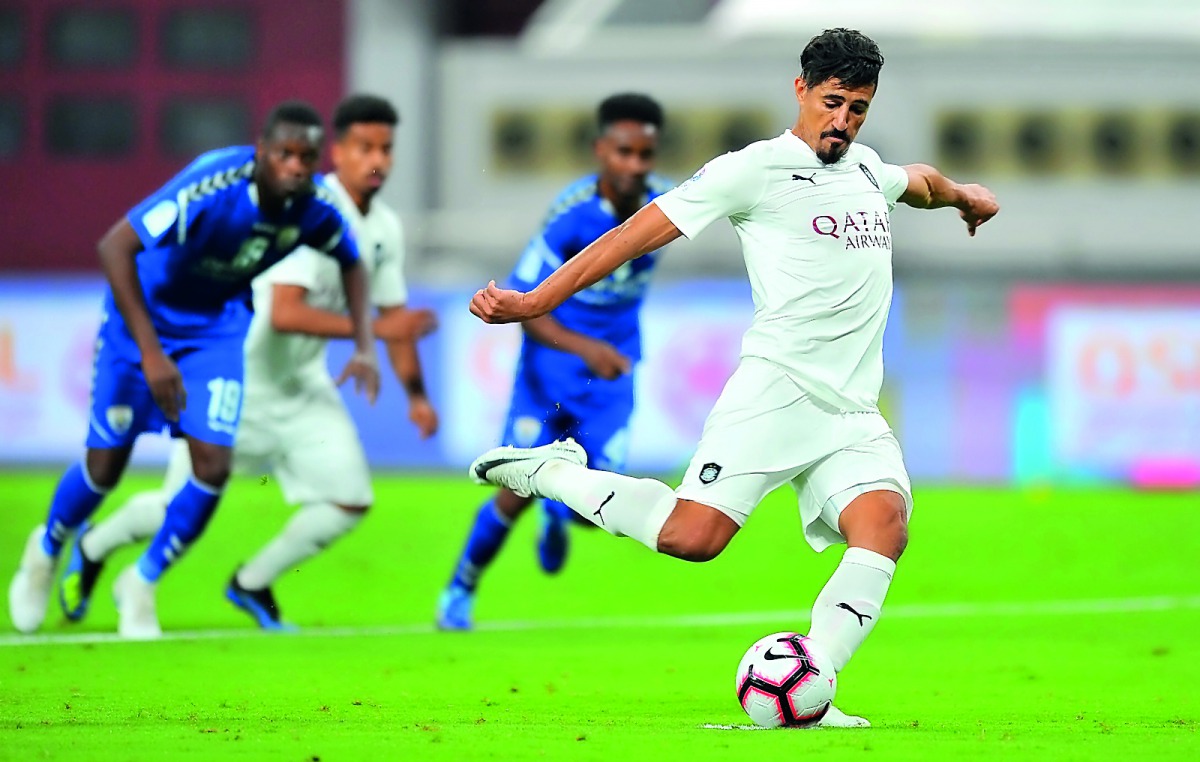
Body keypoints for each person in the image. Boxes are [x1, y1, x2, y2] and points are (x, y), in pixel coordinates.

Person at [465, 28, 999, 727]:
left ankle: (812, 689)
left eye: (858, 109)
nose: (843, 122)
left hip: (850, 410)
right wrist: (536, 300)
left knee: (884, 528)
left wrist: (962, 196)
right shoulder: (753, 170)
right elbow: (630, 235)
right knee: (692, 540)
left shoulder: (867, 170)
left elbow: (920, 182)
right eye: (832, 102)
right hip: (776, 392)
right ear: (801, 89)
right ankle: (552, 472)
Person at [54, 94, 440, 632]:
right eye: (365, 147)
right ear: (336, 151)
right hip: (245, 377)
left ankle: (251, 582)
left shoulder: (386, 228)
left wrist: (416, 395)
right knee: (179, 504)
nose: (378, 160)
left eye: (387, 149)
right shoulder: (306, 206)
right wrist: (369, 333)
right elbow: (285, 312)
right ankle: (96, 548)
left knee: (349, 500)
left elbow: (395, 318)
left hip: (303, 387)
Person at [436, 93, 674, 631]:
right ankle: (460, 589)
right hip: (550, 373)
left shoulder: (665, 205)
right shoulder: (570, 216)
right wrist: (587, 348)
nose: (635, 165)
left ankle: (557, 510)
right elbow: (528, 307)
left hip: (612, 377)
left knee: (598, 507)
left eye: (645, 154)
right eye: (624, 152)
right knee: (514, 492)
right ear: (600, 150)